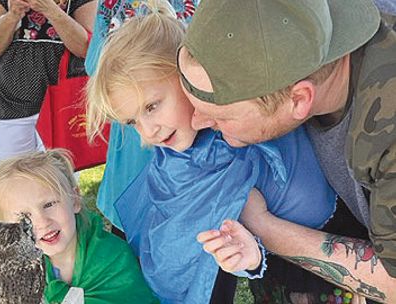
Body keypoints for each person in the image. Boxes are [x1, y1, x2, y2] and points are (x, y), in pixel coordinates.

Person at [85, 2, 339, 302]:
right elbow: (180, 256)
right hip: (286, 270)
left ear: (186, 75)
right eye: (132, 122)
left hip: (342, 234)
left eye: (152, 106)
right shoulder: (177, 165)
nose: (147, 132)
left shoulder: (247, 101)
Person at [177, 0, 396, 302]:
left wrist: (263, 226)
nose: (195, 121)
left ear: (299, 99)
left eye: (221, 116)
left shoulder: (388, 132)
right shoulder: (302, 29)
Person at [0, 149, 158, 303]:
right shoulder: (17, 261)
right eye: (23, 216)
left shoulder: (112, 256)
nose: (42, 222)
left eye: (49, 204)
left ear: (75, 200)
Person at [0, 0, 96, 171]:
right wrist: (12, 15)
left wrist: (50, 9)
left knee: (59, 186)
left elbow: (86, 48)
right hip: (11, 105)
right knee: (5, 181)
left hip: (62, 106)